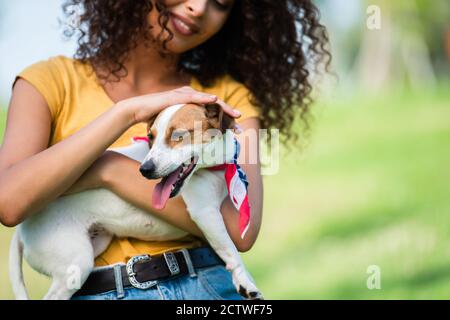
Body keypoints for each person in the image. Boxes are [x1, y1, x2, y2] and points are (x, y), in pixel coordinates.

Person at [0, 0, 331, 300]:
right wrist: (125, 115)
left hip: (208, 289)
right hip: (98, 286)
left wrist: (108, 170)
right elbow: (9, 202)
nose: (199, 8)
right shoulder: (49, 82)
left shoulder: (227, 101)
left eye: (221, 3)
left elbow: (240, 231)